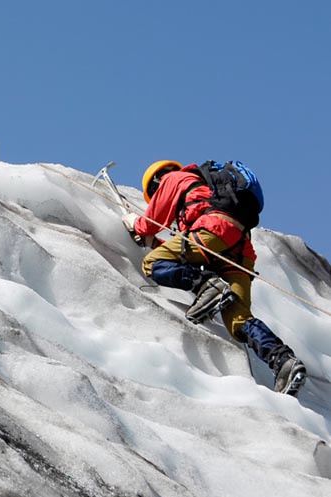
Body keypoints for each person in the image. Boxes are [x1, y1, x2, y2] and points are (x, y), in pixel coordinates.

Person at [122, 160, 307, 396]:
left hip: (213, 231)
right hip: (239, 248)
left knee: (152, 264)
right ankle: (284, 362)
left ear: (156, 181)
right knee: (238, 319)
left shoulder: (174, 179)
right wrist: (156, 243)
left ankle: (208, 287)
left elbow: (149, 225)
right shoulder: (206, 191)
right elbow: (186, 251)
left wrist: (135, 225)